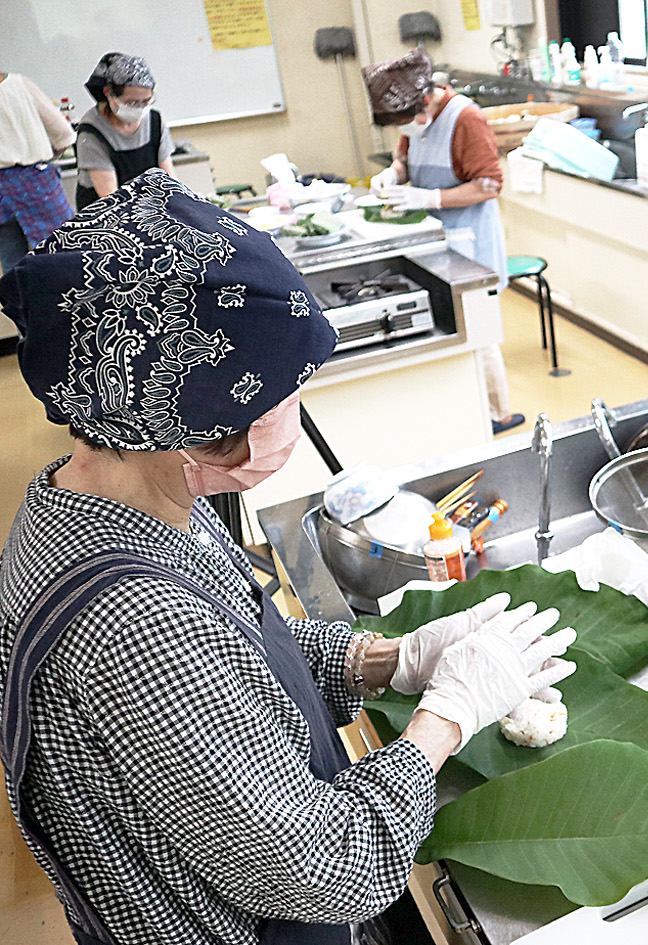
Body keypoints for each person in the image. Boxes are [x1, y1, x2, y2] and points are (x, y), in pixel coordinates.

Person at [0, 170, 576, 945]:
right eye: (271, 399)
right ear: (190, 422)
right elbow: (328, 867)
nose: (288, 419)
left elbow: (233, 650)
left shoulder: (120, 494)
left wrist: (386, 659)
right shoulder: (131, 621)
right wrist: (445, 717)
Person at [360, 49, 525, 435]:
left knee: (479, 332)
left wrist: (430, 198)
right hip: (433, 238)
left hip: (470, 242)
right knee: (447, 327)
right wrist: (393, 175)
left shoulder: (466, 118)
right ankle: (466, 409)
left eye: (407, 122)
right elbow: (405, 159)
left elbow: (489, 185)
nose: (406, 130)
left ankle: (499, 415)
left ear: (426, 100)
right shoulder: (412, 121)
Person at [73, 52, 177, 210]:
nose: (140, 108)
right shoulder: (91, 133)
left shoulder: (155, 121)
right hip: (107, 216)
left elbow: (169, 180)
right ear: (109, 93)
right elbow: (112, 199)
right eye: (132, 102)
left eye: (146, 101)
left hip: (147, 210)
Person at [0, 69, 74, 273]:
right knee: (63, 254)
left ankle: (20, 305)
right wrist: (48, 153)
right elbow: (63, 133)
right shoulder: (20, 84)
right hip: (36, 182)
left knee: (13, 265)